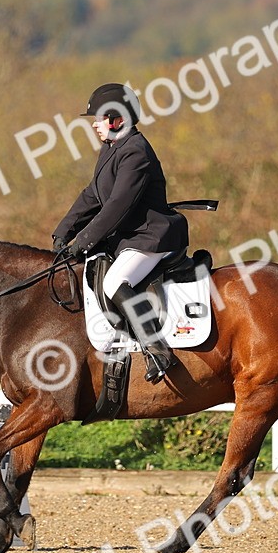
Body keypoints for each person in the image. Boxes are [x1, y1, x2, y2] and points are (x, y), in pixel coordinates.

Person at [52, 83, 189, 383]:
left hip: (151, 237)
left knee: (116, 280)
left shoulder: (136, 152)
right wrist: (64, 231)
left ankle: (157, 350)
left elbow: (117, 206)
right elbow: (93, 194)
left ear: (116, 119)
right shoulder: (113, 148)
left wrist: (83, 240)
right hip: (131, 237)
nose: (95, 125)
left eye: (99, 119)